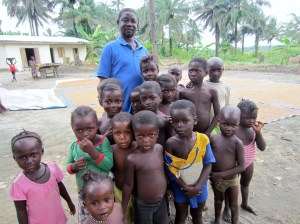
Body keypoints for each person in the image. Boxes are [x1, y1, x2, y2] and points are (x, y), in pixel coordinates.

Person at [164, 100, 216, 224]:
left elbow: (208, 164)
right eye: (175, 122)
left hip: (200, 186)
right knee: (181, 215)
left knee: (197, 215)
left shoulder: (203, 139)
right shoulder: (171, 143)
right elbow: (170, 169)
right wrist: (184, 187)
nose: (180, 125)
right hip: (180, 187)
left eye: (185, 121)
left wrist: (197, 187)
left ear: (195, 120)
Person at [10, 130, 75, 224]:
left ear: (42, 151)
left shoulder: (52, 169)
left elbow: (60, 186)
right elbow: (21, 211)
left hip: (58, 218)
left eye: (33, 155)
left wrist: (69, 201)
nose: (29, 161)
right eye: (22, 157)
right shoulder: (18, 184)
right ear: (14, 158)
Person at [66, 105, 113, 222]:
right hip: (84, 192)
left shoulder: (103, 141)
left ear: (97, 126)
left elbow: (108, 165)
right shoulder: (74, 146)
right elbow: (68, 166)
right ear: (72, 128)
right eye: (79, 130)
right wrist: (74, 166)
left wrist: (92, 151)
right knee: (87, 218)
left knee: (106, 216)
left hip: (103, 191)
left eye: (89, 129)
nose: (85, 134)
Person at [96, 8, 149, 113]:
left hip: (141, 110)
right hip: (120, 111)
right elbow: (102, 84)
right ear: (118, 23)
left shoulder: (144, 51)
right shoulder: (109, 48)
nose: (129, 24)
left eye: (133, 21)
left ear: (137, 25)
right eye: (125, 20)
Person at [122, 110, 168, 224]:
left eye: (151, 135)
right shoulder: (132, 159)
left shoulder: (159, 149)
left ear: (157, 133)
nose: (146, 140)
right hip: (143, 206)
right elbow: (128, 185)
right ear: (134, 134)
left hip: (162, 201)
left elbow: (163, 172)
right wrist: (122, 208)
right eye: (140, 136)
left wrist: (169, 189)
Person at [209, 105, 245, 224]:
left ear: (238, 124)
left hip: (231, 180)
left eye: (233, 125)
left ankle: (235, 221)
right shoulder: (213, 138)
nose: (229, 128)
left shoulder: (237, 143)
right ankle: (217, 220)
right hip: (216, 179)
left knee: (234, 205)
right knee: (218, 200)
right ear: (219, 122)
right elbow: (208, 159)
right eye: (225, 124)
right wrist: (213, 175)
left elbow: (241, 166)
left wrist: (221, 175)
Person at [179, 57, 220, 136]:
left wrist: (208, 132)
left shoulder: (211, 91)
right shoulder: (183, 92)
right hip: (187, 134)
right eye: (191, 70)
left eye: (197, 71)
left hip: (205, 133)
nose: (193, 74)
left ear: (206, 73)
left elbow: (218, 114)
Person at [111, 112, 138, 224]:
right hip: (119, 191)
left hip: (138, 193)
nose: (122, 137)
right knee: (123, 218)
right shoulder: (112, 149)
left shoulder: (138, 147)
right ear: (112, 133)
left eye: (127, 132)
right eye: (117, 133)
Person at [139, 81, 173, 148]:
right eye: (144, 99)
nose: (148, 102)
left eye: (152, 98)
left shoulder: (165, 120)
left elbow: (170, 141)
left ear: (160, 97)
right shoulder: (137, 119)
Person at [205, 57, 230, 133]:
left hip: (219, 124)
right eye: (212, 70)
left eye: (219, 70)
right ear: (206, 70)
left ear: (223, 70)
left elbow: (226, 105)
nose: (216, 73)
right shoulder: (202, 85)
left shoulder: (226, 87)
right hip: (205, 124)